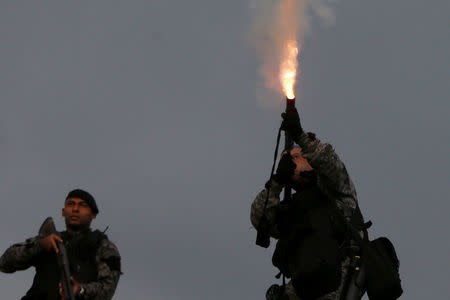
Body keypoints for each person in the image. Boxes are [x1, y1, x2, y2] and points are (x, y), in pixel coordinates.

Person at [250, 107, 367, 300]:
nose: (291, 161)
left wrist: (300, 136)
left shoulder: (339, 195)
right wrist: (277, 182)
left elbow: (328, 160)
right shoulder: (295, 209)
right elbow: (260, 219)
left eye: (297, 156)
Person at [0, 189, 122, 300]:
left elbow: (107, 289)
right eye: (71, 204)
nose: (75, 209)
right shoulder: (49, 240)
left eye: (82, 205)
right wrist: (40, 246)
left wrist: (80, 290)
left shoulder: (103, 247)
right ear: (63, 212)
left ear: (93, 214)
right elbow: (5, 263)